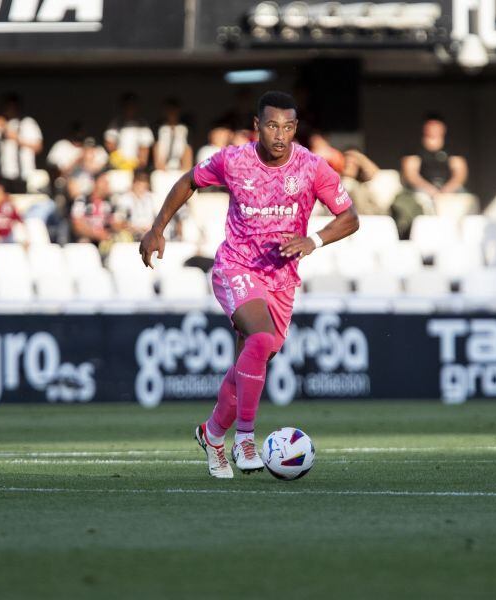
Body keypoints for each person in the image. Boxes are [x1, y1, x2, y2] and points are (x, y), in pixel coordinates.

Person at [139, 91, 359, 479]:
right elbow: (188, 181)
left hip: (281, 279)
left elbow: (349, 217)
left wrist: (315, 240)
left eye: (288, 127)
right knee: (259, 340)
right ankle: (244, 439)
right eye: (272, 125)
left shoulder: (311, 167)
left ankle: (211, 434)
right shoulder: (233, 160)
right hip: (235, 267)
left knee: (252, 363)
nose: (280, 134)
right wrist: (157, 229)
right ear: (257, 125)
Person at [395, 115, 472, 238]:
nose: (433, 129)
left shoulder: (452, 149)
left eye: (437, 126)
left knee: (468, 201)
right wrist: (431, 190)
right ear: (424, 128)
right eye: (430, 126)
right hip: (422, 189)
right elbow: (411, 175)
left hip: (447, 189)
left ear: (443, 128)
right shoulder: (414, 149)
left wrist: (447, 189)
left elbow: (460, 174)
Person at [0, 94, 43, 193]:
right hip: (5, 175)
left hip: (24, 174)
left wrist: (16, 139)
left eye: (12, 106)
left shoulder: (27, 123)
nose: (9, 109)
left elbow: (38, 147)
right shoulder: (1, 124)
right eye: (7, 106)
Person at [105, 93, 154, 171]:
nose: (130, 108)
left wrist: (137, 166)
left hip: (136, 167)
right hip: (118, 165)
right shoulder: (116, 123)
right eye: (127, 106)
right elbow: (110, 143)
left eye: (132, 105)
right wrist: (120, 161)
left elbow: (144, 151)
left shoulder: (142, 125)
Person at [115, 170, 158, 239]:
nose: (141, 189)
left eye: (144, 186)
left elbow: (159, 218)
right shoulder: (124, 199)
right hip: (131, 233)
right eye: (139, 185)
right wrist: (133, 228)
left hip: (151, 232)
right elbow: (118, 221)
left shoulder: (153, 198)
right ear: (134, 184)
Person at [154, 98, 193, 172]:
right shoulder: (159, 128)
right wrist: (160, 167)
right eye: (169, 110)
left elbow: (187, 149)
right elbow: (156, 147)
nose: (172, 113)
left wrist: (185, 168)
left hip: (179, 167)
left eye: (174, 110)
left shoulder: (184, 129)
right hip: (162, 168)